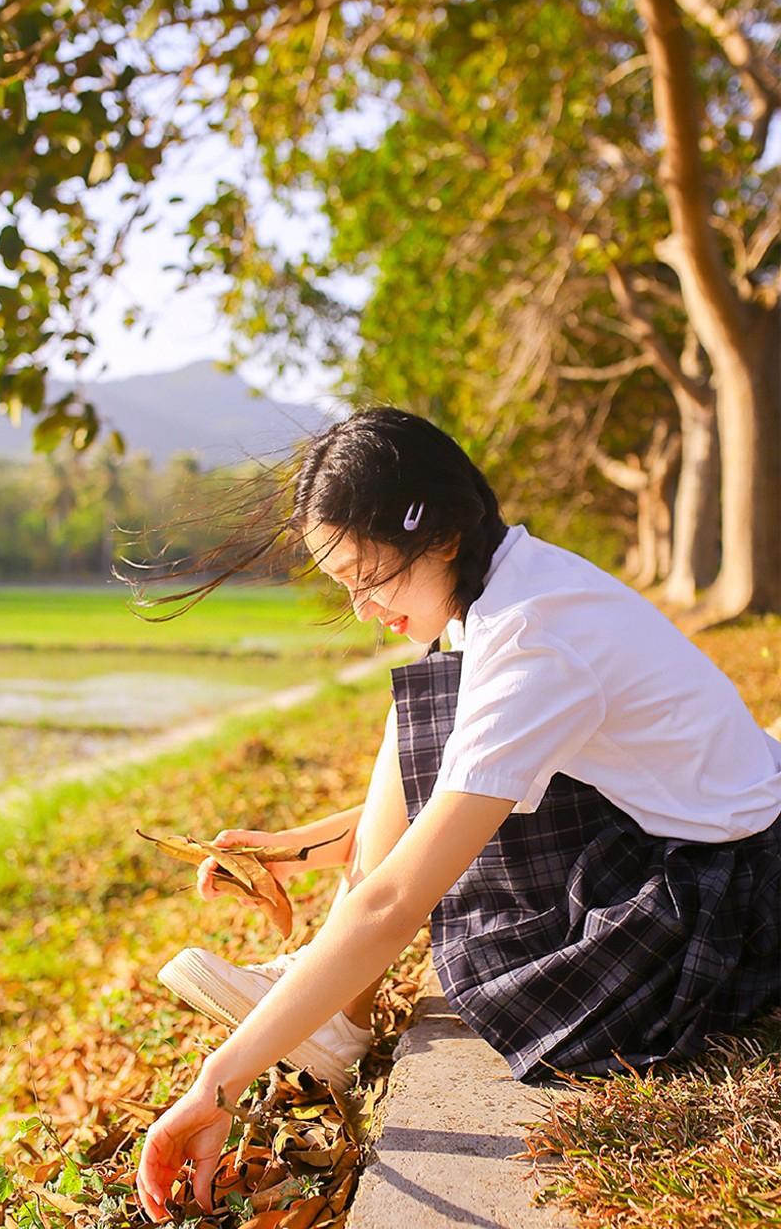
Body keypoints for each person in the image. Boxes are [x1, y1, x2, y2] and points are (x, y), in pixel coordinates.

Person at [134, 406, 781, 1222]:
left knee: (432, 706)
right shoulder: (513, 585)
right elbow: (451, 791)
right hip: (695, 844)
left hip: (712, 909)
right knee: (434, 694)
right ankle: (334, 1004)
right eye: (346, 588)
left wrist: (214, 1083)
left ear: (438, 535)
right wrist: (292, 852)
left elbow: (396, 898)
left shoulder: (531, 637)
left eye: (370, 578)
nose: (365, 609)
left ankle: (336, 1005)